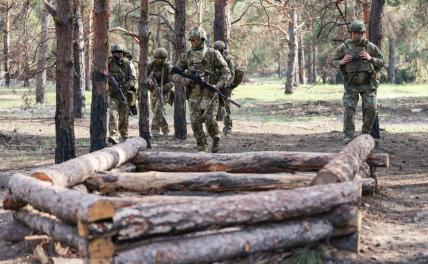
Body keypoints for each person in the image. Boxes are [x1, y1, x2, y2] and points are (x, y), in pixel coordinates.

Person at [173, 27, 231, 152]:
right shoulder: (186, 56)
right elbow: (174, 73)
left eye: (195, 40)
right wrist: (185, 80)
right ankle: (202, 148)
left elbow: (226, 72)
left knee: (210, 120)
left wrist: (218, 85)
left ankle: (216, 138)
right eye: (191, 40)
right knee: (195, 123)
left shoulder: (213, 54)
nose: (193, 42)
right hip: (194, 95)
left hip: (210, 94)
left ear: (202, 40)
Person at [331, 20, 384, 144]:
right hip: (351, 85)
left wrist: (371, 59)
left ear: (362, 33)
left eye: (359, 33)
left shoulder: (370, 46)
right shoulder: (344, 47)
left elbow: (382, 61)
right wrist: (341, 62)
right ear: (351, 33)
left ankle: (365, 135)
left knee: (371, 108)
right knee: (349, 110)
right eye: (354, 33)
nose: (356, 35)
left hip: (368, 84)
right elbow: (332, 61)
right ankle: (348, 137)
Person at [107, 44, 137, 144]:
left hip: (125, 93)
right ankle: (113, 135)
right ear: (112, 53)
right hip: (113, 93)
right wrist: (110, 83)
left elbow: (133, 78)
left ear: (123, 53)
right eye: (116, 53)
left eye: (120, 53)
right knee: (113, 114)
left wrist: (126, 86)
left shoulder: (128, 63)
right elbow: (103, 75)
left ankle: (124, 134)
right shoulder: (109, 63)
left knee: (124, 115)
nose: (118, 55)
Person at [147, 47, 174, 136]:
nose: (160, 60)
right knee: (155, 110)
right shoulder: (150, 66)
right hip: (153, 91)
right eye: (158, 58)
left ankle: (155, 130)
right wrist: (148, 82)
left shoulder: (168, 67)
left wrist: (162, 88)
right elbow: (144, 77)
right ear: (155, 58)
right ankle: (165, 129)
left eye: (162, 58)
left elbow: (172, 82)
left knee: (158, 109)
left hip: (165, 92)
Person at [213, 40, 236, 137]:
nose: (217, 52)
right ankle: (213, 130)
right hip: (214, 86)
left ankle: (228, 129)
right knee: (212, 108)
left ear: (222, 50)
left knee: (227, 109)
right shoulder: (213, 59)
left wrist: (225, 85)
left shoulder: (228, 59)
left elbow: (232, 75)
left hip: (225, 88)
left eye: (218, 50)